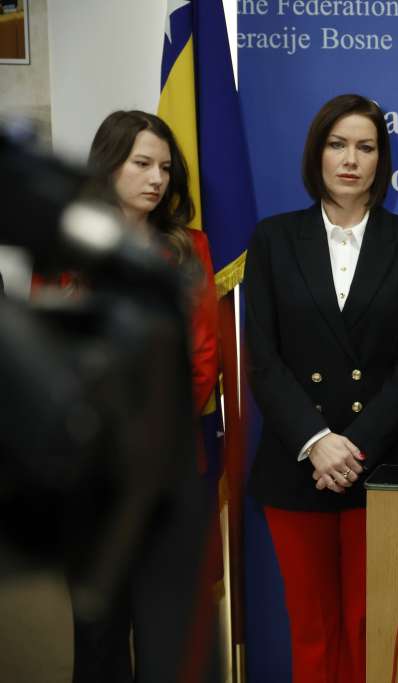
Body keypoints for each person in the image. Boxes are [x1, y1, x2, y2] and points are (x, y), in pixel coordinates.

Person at [243, 94, 398, 682]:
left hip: (376, 463)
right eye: (337, 145)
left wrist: (353, 446)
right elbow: (263, 358)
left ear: (382, 160)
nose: (351, 159)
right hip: (296, 462)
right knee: (312, 627)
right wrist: (317, 441)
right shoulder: (274, 238)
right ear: (317, 154)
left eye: (365, 147)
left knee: (367, 624)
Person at [71, 110, 219, 682]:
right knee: (98, 635)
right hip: (92, 470)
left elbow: (202, 358)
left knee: (169, 636)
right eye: (142, 164)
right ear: (109, 165)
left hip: (168, 469)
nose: (157, 179)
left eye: (165, 167)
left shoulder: (190, 248)